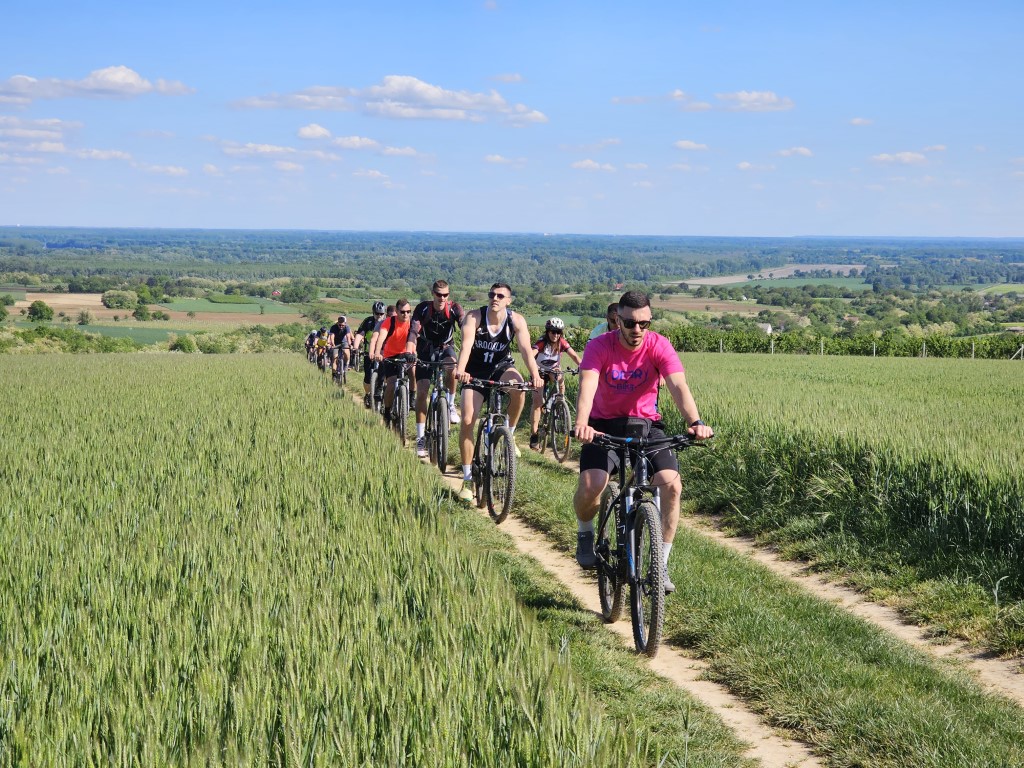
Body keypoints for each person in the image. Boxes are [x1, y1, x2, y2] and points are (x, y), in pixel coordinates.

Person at [572, 290, 713, 594]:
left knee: (671, 485)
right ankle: (585, 533)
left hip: (646, 426)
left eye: (644, 324)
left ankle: (660, 564)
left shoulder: (659, 345)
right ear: (617, 320)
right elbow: (588, 384)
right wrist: (582, 423)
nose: (637, 329)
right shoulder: (599, 346)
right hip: (602, 426)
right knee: (592, 485)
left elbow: (678, 385)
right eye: (630, 323)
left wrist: (695, 422)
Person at [454, 283, 543, 502]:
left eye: (501, 296)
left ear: (508, 301)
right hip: (474, 371)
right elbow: (466, 346)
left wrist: (535, 375)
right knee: (467, 420)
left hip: (501, 367)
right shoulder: (474, 317)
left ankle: (509, 433)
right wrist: (461, 370)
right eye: (492, 295)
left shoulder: (516, 320)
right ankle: (467, 478)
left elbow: (526, 350)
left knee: (519, 386)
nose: (495, 298)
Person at [407, 280, 465, 458]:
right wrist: (410, 349)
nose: (442, 298)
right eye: (439, 294)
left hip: (446, 347)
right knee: (422, 392)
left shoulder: (455, 308)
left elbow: (464, 325)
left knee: (452, 367)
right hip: (425, 349)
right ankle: (420, 438)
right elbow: (414, 331)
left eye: (445, 295)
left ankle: (451, 405)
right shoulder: (423, 308)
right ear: (433, 294)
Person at [529, 317, 582, 450]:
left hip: (552, 370)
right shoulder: (542, 342)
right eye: (553, 332)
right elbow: (530, 355)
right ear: (548, 332)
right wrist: (534, 371)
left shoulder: (561, 342)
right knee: (537, 403)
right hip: (539, 372)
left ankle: (559, 402)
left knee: (560, 376)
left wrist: (584, 367)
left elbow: (574, 356)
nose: (556, 335)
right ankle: (534, 435)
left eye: (558, 332)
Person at [370, 299, 414, 418]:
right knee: (391, 382)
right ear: (397, 311)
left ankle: (412, 396)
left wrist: (415, 353)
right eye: (402, 312)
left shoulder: (412, 322)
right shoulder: (389, 322)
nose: (406, 314)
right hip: (390, 355)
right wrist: (377, 352)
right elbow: (381, 337)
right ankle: (387, 411)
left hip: (406, 353)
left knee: (413, 370)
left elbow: (415, 339)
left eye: (408, 312)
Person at [354, 301, 386, 407]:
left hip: (383, 353)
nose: (379, 316)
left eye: (381, 314)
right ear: (373, 313)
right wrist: (355, 347)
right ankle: (368, 394)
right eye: (377, 313)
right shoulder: (368, 321)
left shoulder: (387, 322)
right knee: (368, 378)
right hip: (369, 353)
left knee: (386, 376)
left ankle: (385, 395)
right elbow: (360, 334)